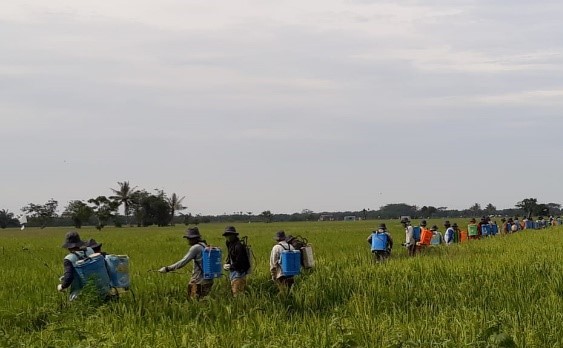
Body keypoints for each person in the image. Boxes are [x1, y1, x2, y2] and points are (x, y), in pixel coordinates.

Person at [159, 227, 213, 300]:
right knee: (204, 301)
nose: (188, 241)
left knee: (194, 302)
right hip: (208, 280)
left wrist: (167, 268)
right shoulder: (204, 245)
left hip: (198, 281)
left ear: (193, 239)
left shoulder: (195, 248)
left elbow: (183, 262)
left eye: (189, 239)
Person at [58, 231, 95, 300]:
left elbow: (69, 278)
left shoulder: (68, 259)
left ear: (68, 247)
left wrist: (62, 286)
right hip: (97, 286)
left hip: (81, 293)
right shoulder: (90, 250)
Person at [222, 226, 251, 296]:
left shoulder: (238, 246)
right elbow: (230, 257)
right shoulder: (230, 244)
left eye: (230, 235)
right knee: (236, 292)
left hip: (239, 273)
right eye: (227, 235)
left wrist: (230, 266)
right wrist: (228, 264)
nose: (228, 237)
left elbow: (240, 262)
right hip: (234, 273)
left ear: (234, 235)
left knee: (238, 295)